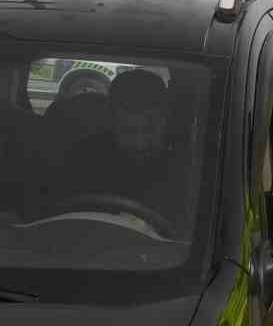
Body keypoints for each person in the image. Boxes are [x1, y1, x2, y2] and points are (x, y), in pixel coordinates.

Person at [59, 68, 191, 233]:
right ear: (112, 124)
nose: (140, 142)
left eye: (150, 130)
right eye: (128, 131)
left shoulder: (187, 164)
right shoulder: (82, 159)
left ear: (166, 121)